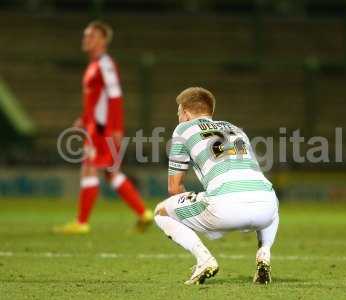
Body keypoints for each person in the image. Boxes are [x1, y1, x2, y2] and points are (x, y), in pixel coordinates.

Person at [154, 87, 279, 285]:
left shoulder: (183, 130)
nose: (177, 117)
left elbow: (174, 188)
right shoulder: (236, 129)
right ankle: (264, 253)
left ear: (185, 113)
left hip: (224, 206)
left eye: (178, 112)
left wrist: (204, 223)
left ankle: (204, 260)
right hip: (266, 206)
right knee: (266, 190)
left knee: (161, 212)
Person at [54, 21, 153, 234]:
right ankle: (143, 213)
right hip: (96, 124)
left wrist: (116, 128)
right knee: (110, 171)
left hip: (101, 128)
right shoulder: (94, 65)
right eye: (85, 36)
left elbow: (115, 96)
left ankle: (81, 223)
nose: (85, 39)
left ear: (102, 40)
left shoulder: (105, 64)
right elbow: (98, 99)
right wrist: (83, 118)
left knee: (89, 168)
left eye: (90, 36)